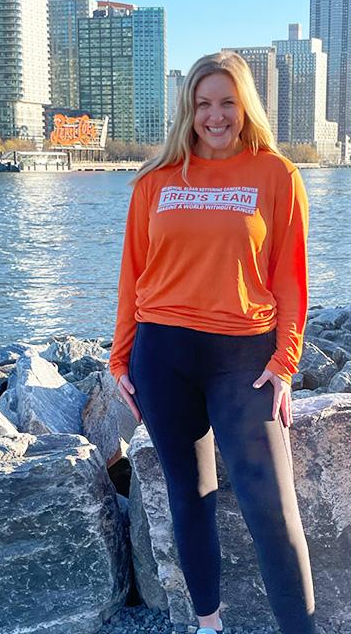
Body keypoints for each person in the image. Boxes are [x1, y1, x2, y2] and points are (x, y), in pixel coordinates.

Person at [109, 50, 315, 634]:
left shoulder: (276, 175)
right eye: (203, 103)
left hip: (244, 359)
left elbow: (290, 277)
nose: (215, 115)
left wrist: (285, 362)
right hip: (163, 355)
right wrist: (120, 356)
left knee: (271, 508)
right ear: (189, 109)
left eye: (227, 102)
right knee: (189, 494)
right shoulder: (155, 181)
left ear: (245, 105)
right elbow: (133, 275)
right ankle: (209, 625)